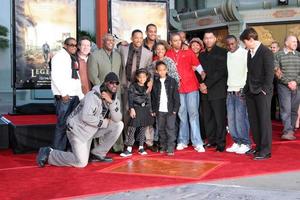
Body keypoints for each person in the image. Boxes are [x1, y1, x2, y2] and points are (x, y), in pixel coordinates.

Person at [36, 72, 123, 168]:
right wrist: (105, 122)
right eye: (111, 82)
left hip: (91, 130)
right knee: (81, 163)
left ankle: (98, 153)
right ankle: (49, 154)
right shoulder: (93, 96)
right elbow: (86, 117)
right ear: (105, 83)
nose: (114, 85)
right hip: (78, 131)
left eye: (116, 83)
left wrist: (111, 103)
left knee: (119, 125)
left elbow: (117, 118)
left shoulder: (114, 99)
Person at [166, 33, 205, 153]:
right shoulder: (168, 55)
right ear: (171, 42)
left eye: (179, 40)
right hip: (177, 90)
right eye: (174, 40)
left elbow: (199, 67)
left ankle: (197, 142)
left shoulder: (188, 52)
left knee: (193, 115)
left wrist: (203, 77)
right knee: (182, 115)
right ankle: (183, 140)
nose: (177, 42)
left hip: (192, 87)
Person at [240, 27, 274, 160]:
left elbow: (269, 73)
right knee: (254, 121)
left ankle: (266, 151)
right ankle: (259, 147)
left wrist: (264, 90)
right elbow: (250, 72)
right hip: (251, 91)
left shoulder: (266, 52)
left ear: (251, 39)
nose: (244, 45)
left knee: (264, 121)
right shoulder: (250, 52)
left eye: (245, 42)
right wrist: (246, 88)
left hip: (262, 92)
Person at [118, 29, 155, 151]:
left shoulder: (148, 53)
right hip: (125, 84)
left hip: (140, 87)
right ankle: (128, 142)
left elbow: (150, 70)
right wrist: (120, 42)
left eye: (140, 37)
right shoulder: (122, 49)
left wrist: (150, 82)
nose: (138, 40)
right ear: (131, 38)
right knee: (126, 113)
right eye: (136, 37)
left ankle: (145, 142)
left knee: (142, 114)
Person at [88, 33, 123, 152]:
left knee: (116, 119)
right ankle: (101, 148)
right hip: (102, 94)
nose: (110, 42)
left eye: (112, 40)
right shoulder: (95, 55)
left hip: (115, 93)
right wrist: (103, 91)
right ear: (103, 42)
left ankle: (118, 146)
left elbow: (121, 73)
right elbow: (93, 76)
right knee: (102, 120)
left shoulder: (118, 56)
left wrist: (117, 89)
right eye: (108, 40)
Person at [51, 37, 84, 151]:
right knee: (62, 125)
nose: (74, 47)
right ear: (65, 45)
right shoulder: (58, 57)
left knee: (72, 125)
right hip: (65, 96)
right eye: (71, 45)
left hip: (74, 96)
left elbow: (76, 78)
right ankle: (57, 151)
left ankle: (69, 150)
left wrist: (80, 95)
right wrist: (63, 93)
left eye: (75, 45)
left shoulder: (73, 58)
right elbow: (55, 77)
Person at [199, 30, 228, 152]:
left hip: (218, 90)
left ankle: (221, 143)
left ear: (215, 39)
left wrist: (206, 84)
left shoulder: (222, 52)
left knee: (219, 118)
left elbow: (220, 72)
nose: (208, 40)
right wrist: (201, 84)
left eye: (210, 38)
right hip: (205, 91)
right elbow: (199, 72)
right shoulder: (202, 54)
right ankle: (211, 140)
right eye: (206, 38)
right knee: (208, 117)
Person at [224, 35, 251, 154]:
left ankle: (246, 143)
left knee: (241, 119)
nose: (230, 46)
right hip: (230, 90)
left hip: (241, 90)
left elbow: (248, 72)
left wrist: (244, 88)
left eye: (232, 44)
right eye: (228, 44)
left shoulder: (245, 54)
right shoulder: (228, 54)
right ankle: (236, 142)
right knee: (231, 119)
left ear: (237, 42)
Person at [120, 69, 154, 157]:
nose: (142, 79)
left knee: (143, 128)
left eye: (144, 77)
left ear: (146, 78)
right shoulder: (133, 86)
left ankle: (141, 147)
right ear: (137, 78)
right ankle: (129, 148)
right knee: (132, 128)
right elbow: (130, 98)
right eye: (140, 77)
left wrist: (150, 111)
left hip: (145, 109)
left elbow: (148, 99)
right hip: (136, 109)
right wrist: (131, 108)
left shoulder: (147, 87)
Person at [274, 35, 300, 141]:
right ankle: (287, 131)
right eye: (293, 41)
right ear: (286, 43)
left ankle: (292, 129)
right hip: (283, 86)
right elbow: (277, 71)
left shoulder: (299, 55)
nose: (295, 43)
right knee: (286, 109)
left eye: (296, 42)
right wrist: (288, 82)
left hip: (297, 86)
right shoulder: (277, 55)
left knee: (294, 109)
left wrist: (295, 82)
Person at [151, 61, 180, 155]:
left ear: (167, 70)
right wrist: (154, 110)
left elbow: (176, 96)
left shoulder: (172, 81)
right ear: (157, 71)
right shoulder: (155, 83)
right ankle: (163, 146)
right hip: (160, 110)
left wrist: (176, 109)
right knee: (161, 129)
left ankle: (170, 148)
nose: (162, 72)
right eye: (160, 70)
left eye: (164, 70)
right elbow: (153, 98)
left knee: (170, 129)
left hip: (170, 110)